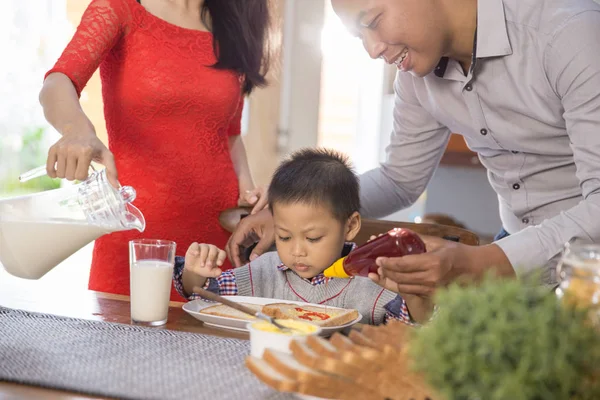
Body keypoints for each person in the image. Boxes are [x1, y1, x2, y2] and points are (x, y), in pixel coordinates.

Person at [226, 0, 600, 302]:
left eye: (372, 21)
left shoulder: (569, 33)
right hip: (516, 252)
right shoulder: (416, 77)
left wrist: (484, 261)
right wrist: (296, 215)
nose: (372, 50)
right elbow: (399, 179)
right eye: (360, 36)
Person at [39, 0, 270, 300]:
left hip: (216, 245)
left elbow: (229, 136)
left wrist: (249, 199)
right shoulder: (118, 9)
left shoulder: (232, 24)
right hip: (135, 237)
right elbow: (59, 81)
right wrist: (77, 131)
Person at [174, 148, 433, 324]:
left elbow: (415, 324)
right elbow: (204, 293)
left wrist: (413, 294)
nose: (297, 251)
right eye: (285, 237)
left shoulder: (372, 283)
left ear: (351, 226)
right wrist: (195, 271)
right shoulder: (263, 272)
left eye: (312, 238)